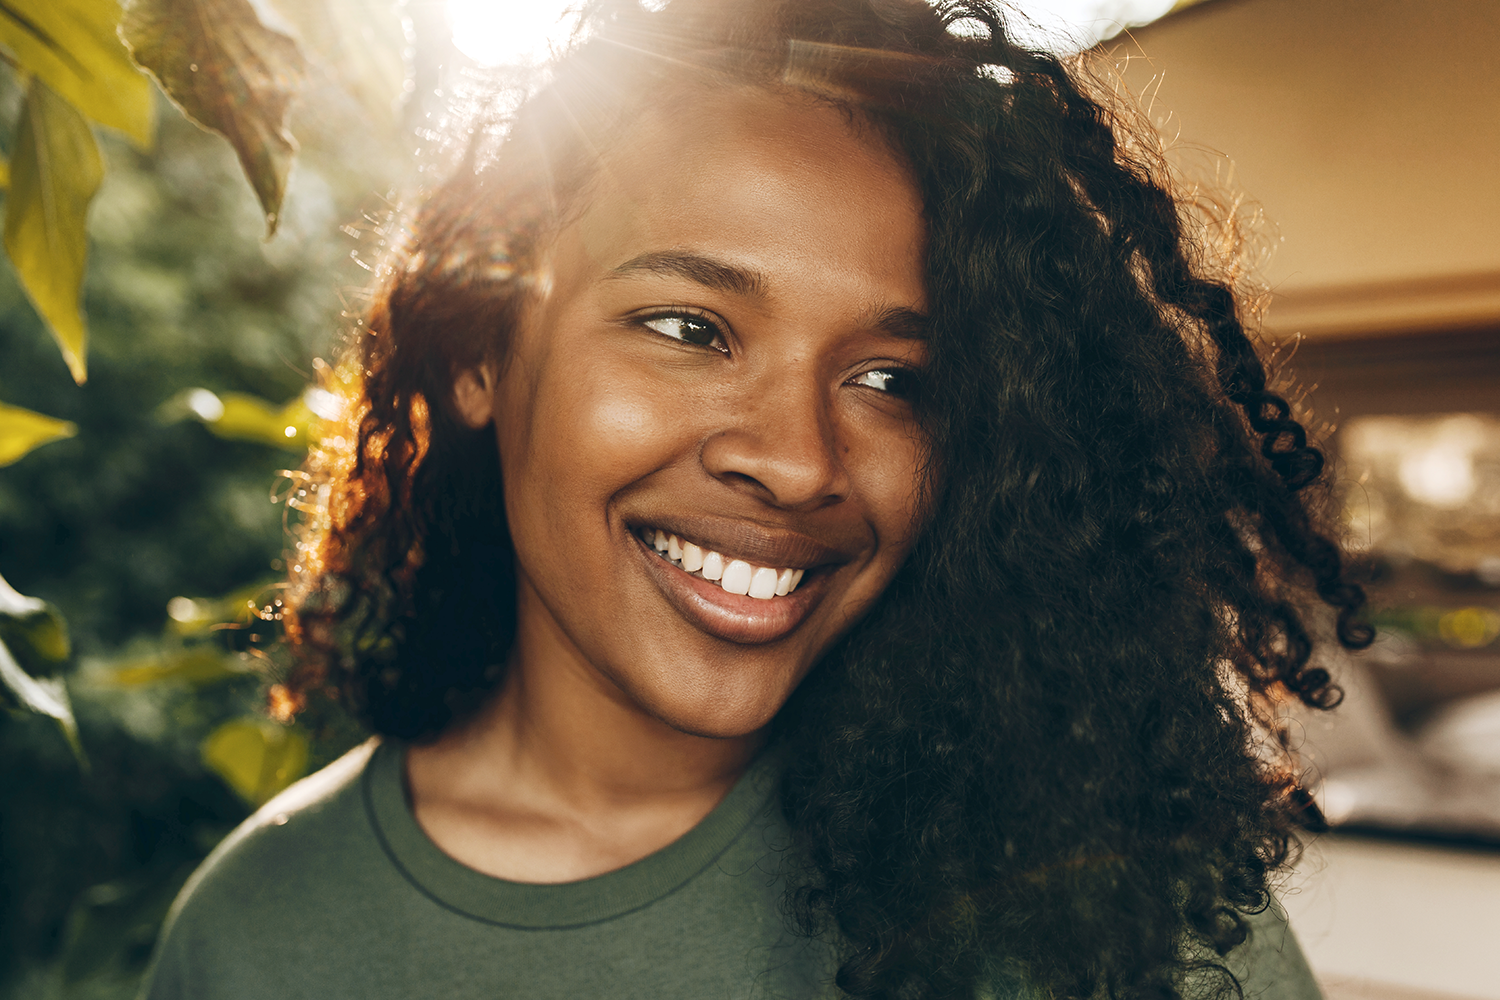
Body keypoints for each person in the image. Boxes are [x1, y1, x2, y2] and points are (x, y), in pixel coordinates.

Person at [143, 1, 1372, 998]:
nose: (797, 459)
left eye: (895, 378)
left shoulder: (1100, 895)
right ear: (480, 354)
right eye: (689, 327)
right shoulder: (260, 938)